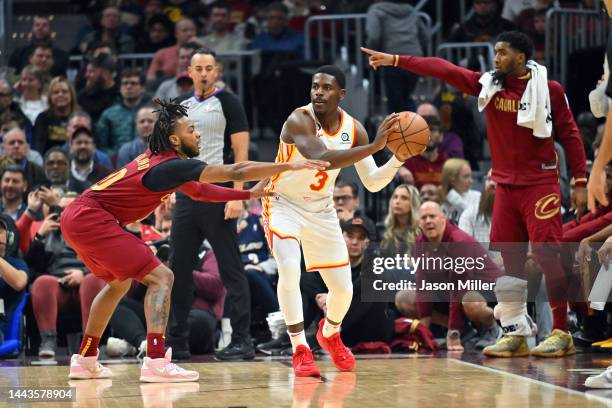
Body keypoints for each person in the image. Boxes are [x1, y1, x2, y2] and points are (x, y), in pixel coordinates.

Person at [61, 98, 327, 382]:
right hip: (92, 218)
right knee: (162, 278)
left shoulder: (161, 163)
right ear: (174, 139)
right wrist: (287, 167)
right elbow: (234, 171)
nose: (198, 134)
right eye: (191, 130)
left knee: (118, 284)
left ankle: (86, 359)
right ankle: (155, 360)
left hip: (77, 217)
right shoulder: (170, 166)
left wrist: (248, 195)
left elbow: (200, 192)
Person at [362, 30, 588, 358]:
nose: (496, 58)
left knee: (547, 255)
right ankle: (516, 332)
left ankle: (561, 332)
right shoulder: (489, 85)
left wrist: (580, 181)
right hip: (505, 187)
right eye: (495, 52)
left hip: (540, 185)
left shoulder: (549, 89)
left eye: (503, 53)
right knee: (509, 260)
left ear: (521, 58)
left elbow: (569, 133)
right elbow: (444, 69)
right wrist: (398, 61)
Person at [261, 65, 413, 377]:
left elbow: (371, 181)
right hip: (283, 203)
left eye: (327, 87)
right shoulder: (299, 119)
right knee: (289, 268)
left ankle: (329, 333)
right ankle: (300, 348)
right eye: (315, 86)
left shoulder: (354, 128)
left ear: (341, 94)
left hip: (321, 209)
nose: (318, 92)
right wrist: (373, 147)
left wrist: (397, 157)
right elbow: (322, 157)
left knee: (342, 290)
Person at [169, 47, 252, 362]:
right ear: (189, 72)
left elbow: (241, 154)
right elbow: (170, 155)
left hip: (219, 192)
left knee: (231, 269)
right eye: (197, 68)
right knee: (178, 268)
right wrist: (166, 192)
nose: (203, 73)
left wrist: (237, 195)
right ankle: (177, 342)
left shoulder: (229, 103)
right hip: (187, 194)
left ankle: (242, 340)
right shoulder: (178, 107)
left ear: (216, 71)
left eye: (209, 68)